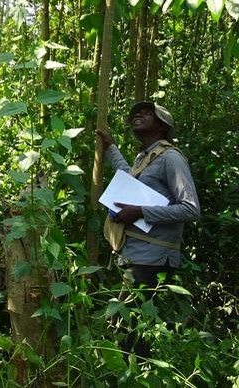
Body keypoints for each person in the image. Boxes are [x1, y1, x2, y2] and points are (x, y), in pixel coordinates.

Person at [96, 101, 200, 358]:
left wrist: (141, 212)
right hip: (136, 255)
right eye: (136, 113)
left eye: (147, 112)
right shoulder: (145, 158)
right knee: (130, 328)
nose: (138, 115)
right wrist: (110, 147)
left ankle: (137, 376)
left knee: (129, 329)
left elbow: (191, 208)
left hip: (153, 258)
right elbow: (128, 179)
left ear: (163, 126)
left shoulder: (171, 158)